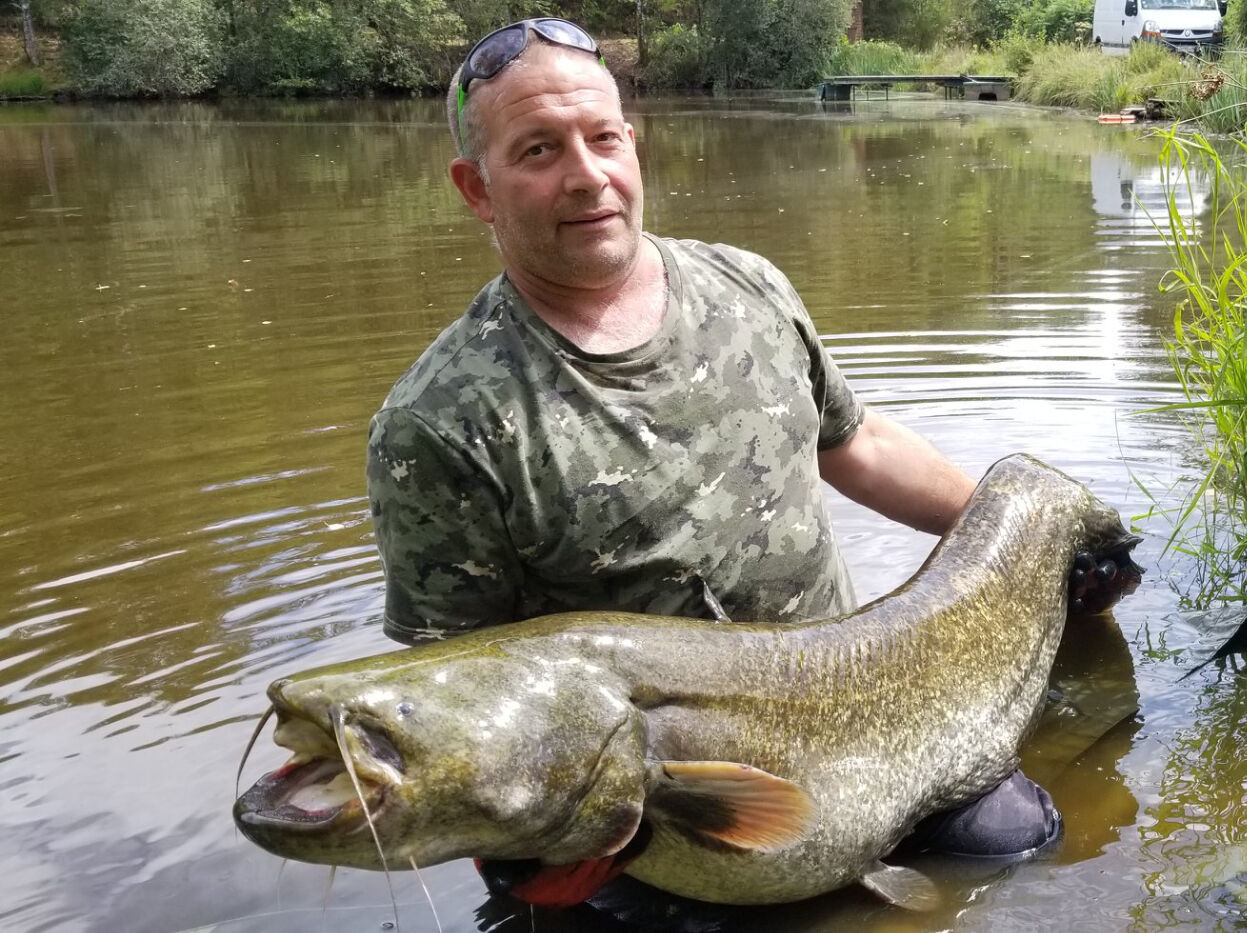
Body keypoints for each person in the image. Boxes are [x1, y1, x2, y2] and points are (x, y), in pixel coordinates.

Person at [364, 17, 1060, 908]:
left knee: (1019, 845)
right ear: (478, 187)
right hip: (654, 809)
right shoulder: (440, 422)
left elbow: (860, 445)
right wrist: (531, 856)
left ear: (633, 145)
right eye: (538, 149)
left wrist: (1024, 542)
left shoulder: (748, 285)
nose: (587, 175)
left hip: (859, 716)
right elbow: (464, 695)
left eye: (603, 137)